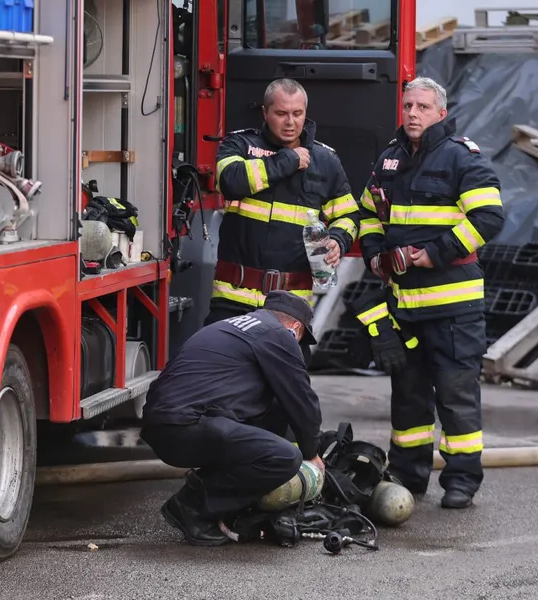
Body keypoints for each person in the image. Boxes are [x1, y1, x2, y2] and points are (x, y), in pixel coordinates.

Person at [353, 76, 505, 509]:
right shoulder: (389, 160)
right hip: (404, 308)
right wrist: (374, 254)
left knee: (456, 399)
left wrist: (433, 254)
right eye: (408, 106)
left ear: (441, 112)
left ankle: (460, 482)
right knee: (408, 398)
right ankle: (407, 475)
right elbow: (367, 212)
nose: (413, 114)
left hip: (454, 308)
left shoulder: (462, 158)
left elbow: (489, 218)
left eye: (422, 107)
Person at [139, 290, 326, 546]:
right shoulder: (278, 335)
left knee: (271, 416)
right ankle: (191, 506)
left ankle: (217, 504)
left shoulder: (237, 327)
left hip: (164, 426)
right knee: (284, 457)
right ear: (295, 328)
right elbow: (301, 398)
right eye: (301, 339)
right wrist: (312, 453)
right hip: (185, 426)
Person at [206, 78, 361, 336]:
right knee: (223, 373)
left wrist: (338, 240)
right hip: (232, 299)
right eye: (281, 114)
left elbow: (348, 215)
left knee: (286, 377)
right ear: (265, 113)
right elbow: (230, 181)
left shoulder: (325, 160)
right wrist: (288, 159)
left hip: (291, 304)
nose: (291, 122)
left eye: (297, 114)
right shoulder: (240, 145)